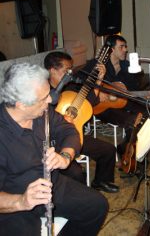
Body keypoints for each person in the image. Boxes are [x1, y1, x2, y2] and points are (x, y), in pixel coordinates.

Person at [0, 62, 108, 236]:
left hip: (51, 184)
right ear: (21, 104)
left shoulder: (42, 112)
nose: (51, 100)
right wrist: (20, 201)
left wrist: (65, 155)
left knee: (97, 206)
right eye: (44, 98)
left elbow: (68, 129)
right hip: (16, 198)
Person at [44, 51, 119, 193]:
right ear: (52, 70)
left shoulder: (70, 86)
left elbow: (89, 102)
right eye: (66, 70)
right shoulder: (43, 93)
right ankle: (80, 197)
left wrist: (99, 79)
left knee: (108, 150)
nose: (70, 74)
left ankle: (101, 181)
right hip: (54, 143)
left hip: (74, 135)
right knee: (76, 173)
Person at [79, 35, 150, 161]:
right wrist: (97, 92)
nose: (125, 50)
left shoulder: (127, 66)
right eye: (121, 47)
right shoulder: (96, 64)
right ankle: (128, 154)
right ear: (111, 50)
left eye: (125, 46)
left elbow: (132, 89)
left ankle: (127, 147)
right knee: (132, 120)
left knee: (147, 111)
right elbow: (79, 81)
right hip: (101, 107)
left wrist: (145, 94)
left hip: (124, 101)